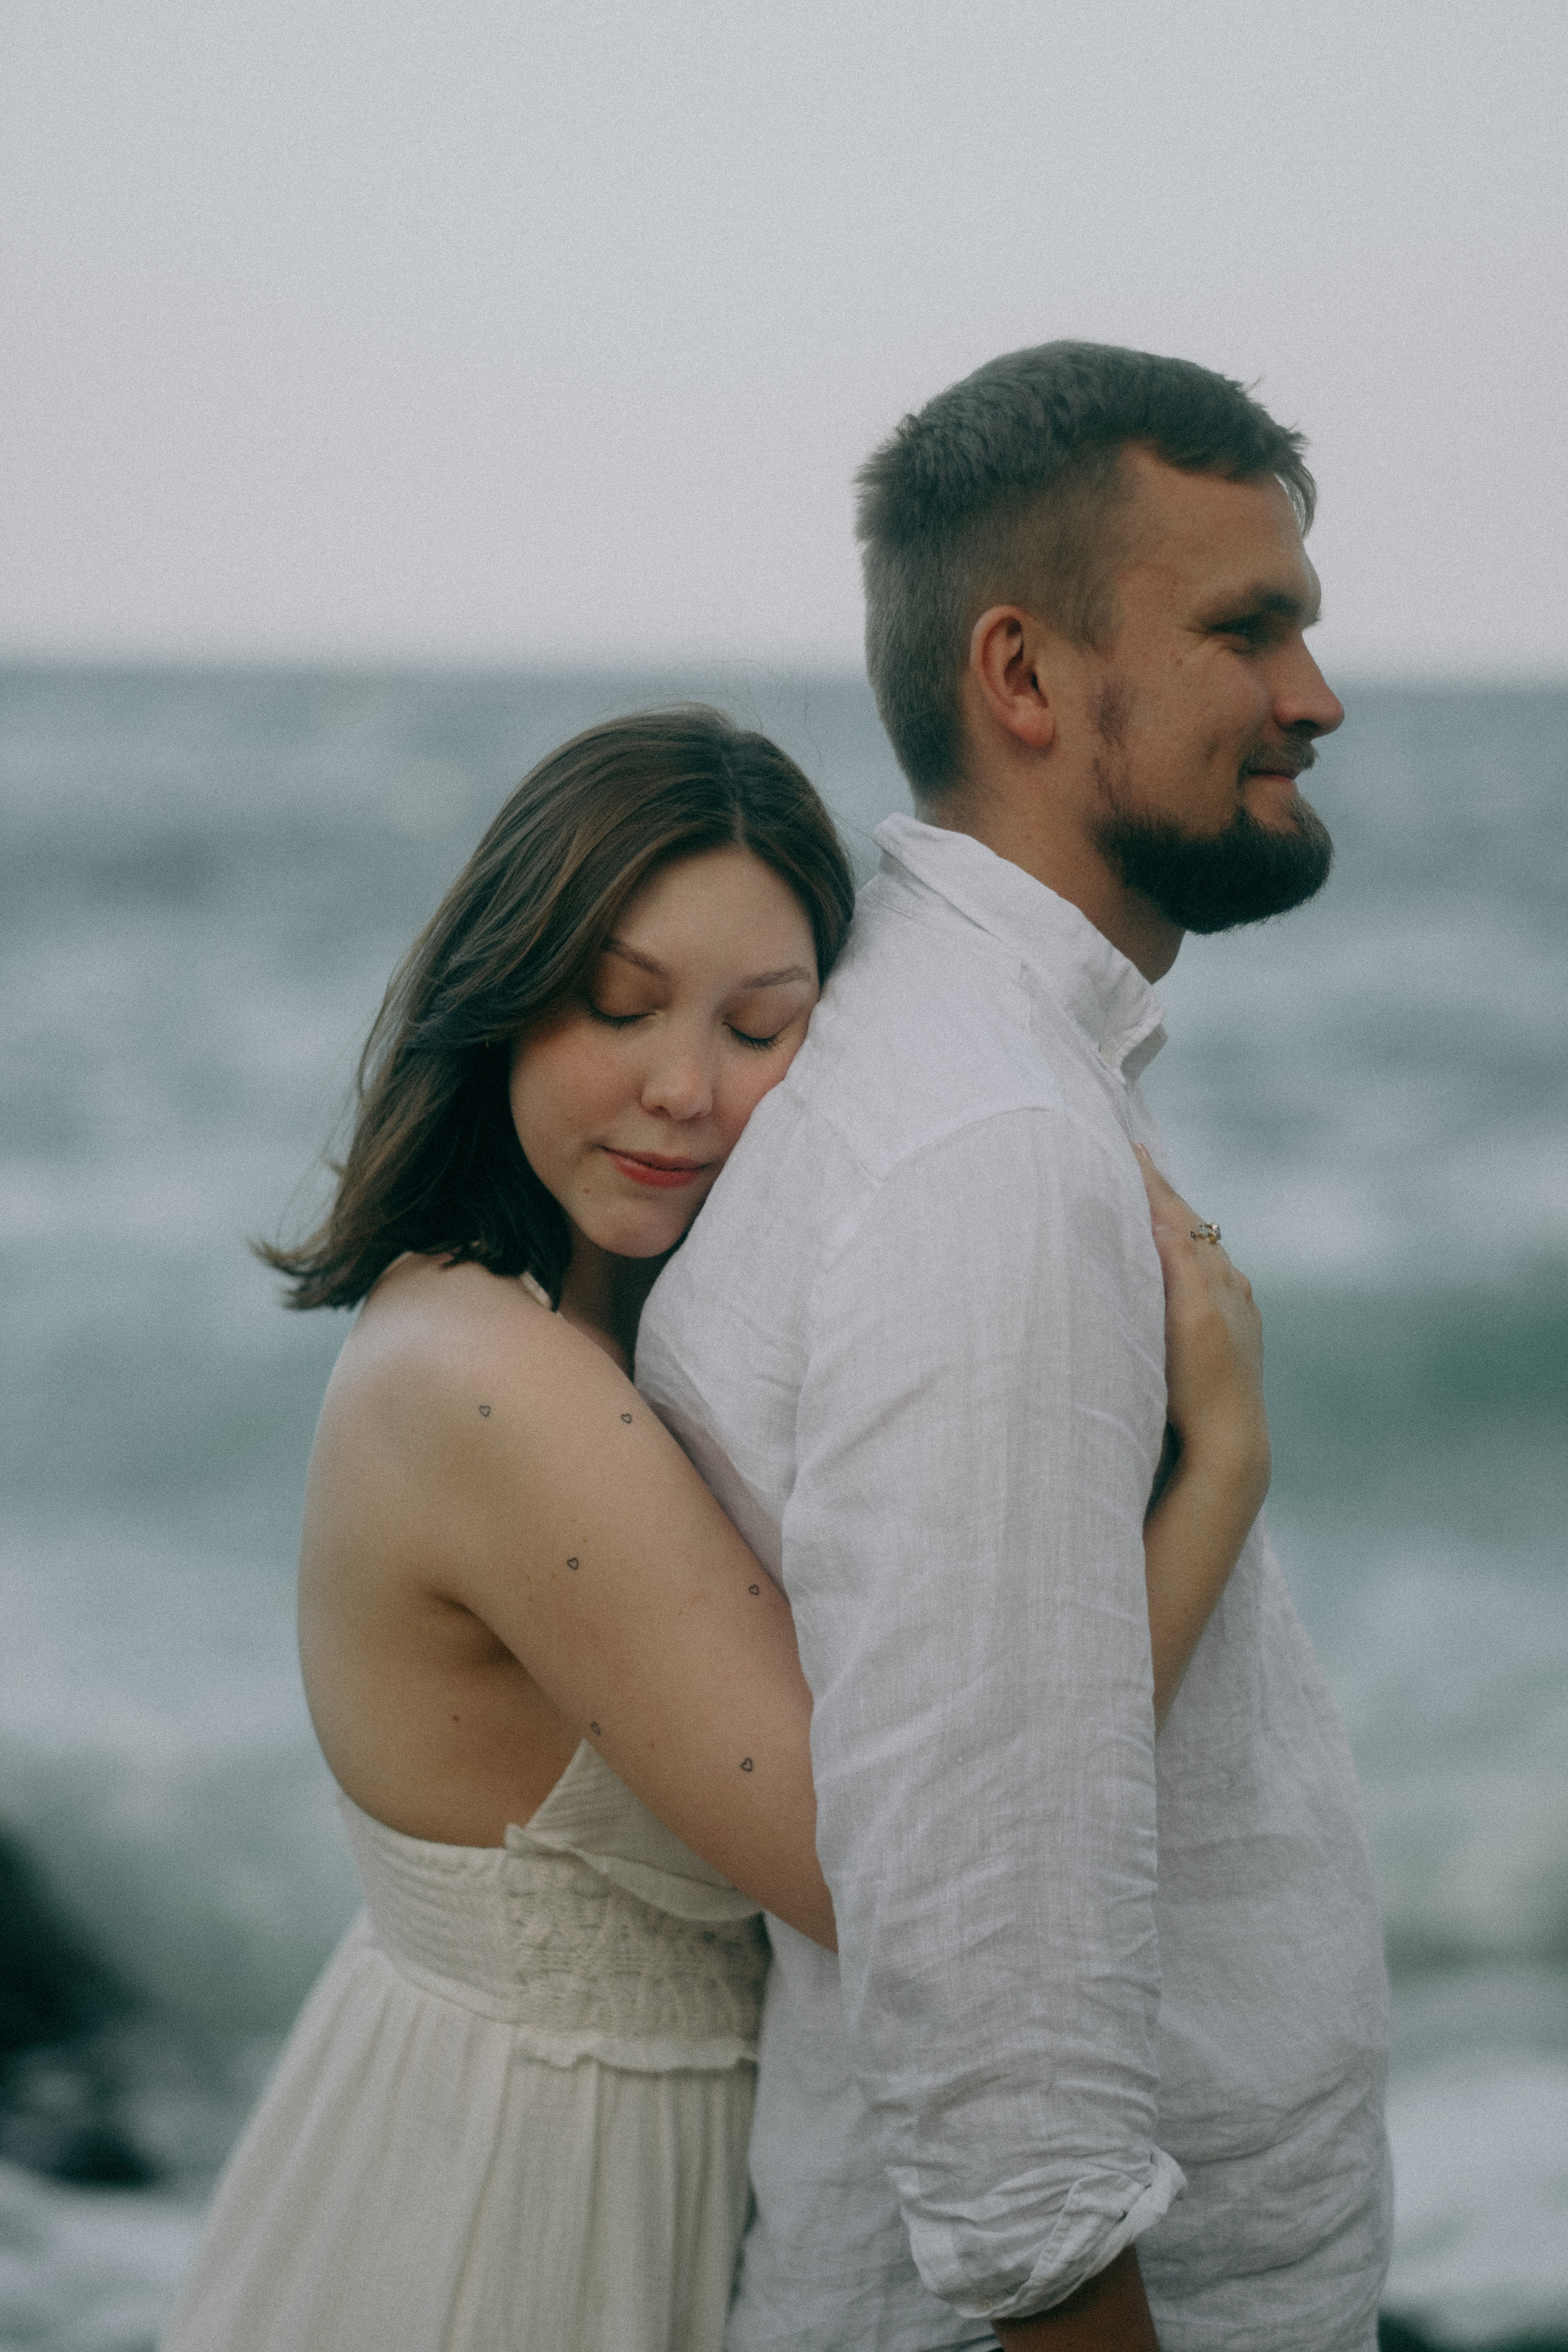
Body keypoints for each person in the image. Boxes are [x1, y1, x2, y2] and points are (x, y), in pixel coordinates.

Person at [162, 705, 1274, 2352]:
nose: (682, 1090)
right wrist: (1223, 1474)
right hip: (508, 2211)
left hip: (598, 2156)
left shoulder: (617, 1343)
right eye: (619, 1007)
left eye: (764, 1032)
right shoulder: (485, 1376)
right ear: (502, 993)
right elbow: (889, 1866)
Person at [636, 347, 1392, 2352]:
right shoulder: (988, 1149)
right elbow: (984, 1912)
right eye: (1252, 629)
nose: (1316, 696)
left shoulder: (938, 1058)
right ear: (1025, 679)